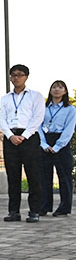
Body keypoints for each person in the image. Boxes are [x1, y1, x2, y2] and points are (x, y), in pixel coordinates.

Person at [0, 64, 45, 223]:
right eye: (13, 75)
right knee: (13, 175)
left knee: (33, 175)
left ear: (26, 77)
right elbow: (1, 118)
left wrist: (24, 136)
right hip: (11, 137)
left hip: (29, 137)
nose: (16, 78)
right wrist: (10, 136)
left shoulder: (35, 96)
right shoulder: (5, 98)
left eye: (20, 75)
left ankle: (34, 211)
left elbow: (37, 118)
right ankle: (13, 211)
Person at [38, 80, 74, 217]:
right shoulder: (44, 107)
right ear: (50, 90)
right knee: (44, 176)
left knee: (64, 177)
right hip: (45, 141)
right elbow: (38, 126)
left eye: (60, 87)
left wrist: (58, 146)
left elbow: (69, 129)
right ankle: (44, 206)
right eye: (54, 87)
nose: (57, 90)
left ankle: (64, 208)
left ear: (65, 91)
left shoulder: (70, 109)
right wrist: (44, 144)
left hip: (62, 143)